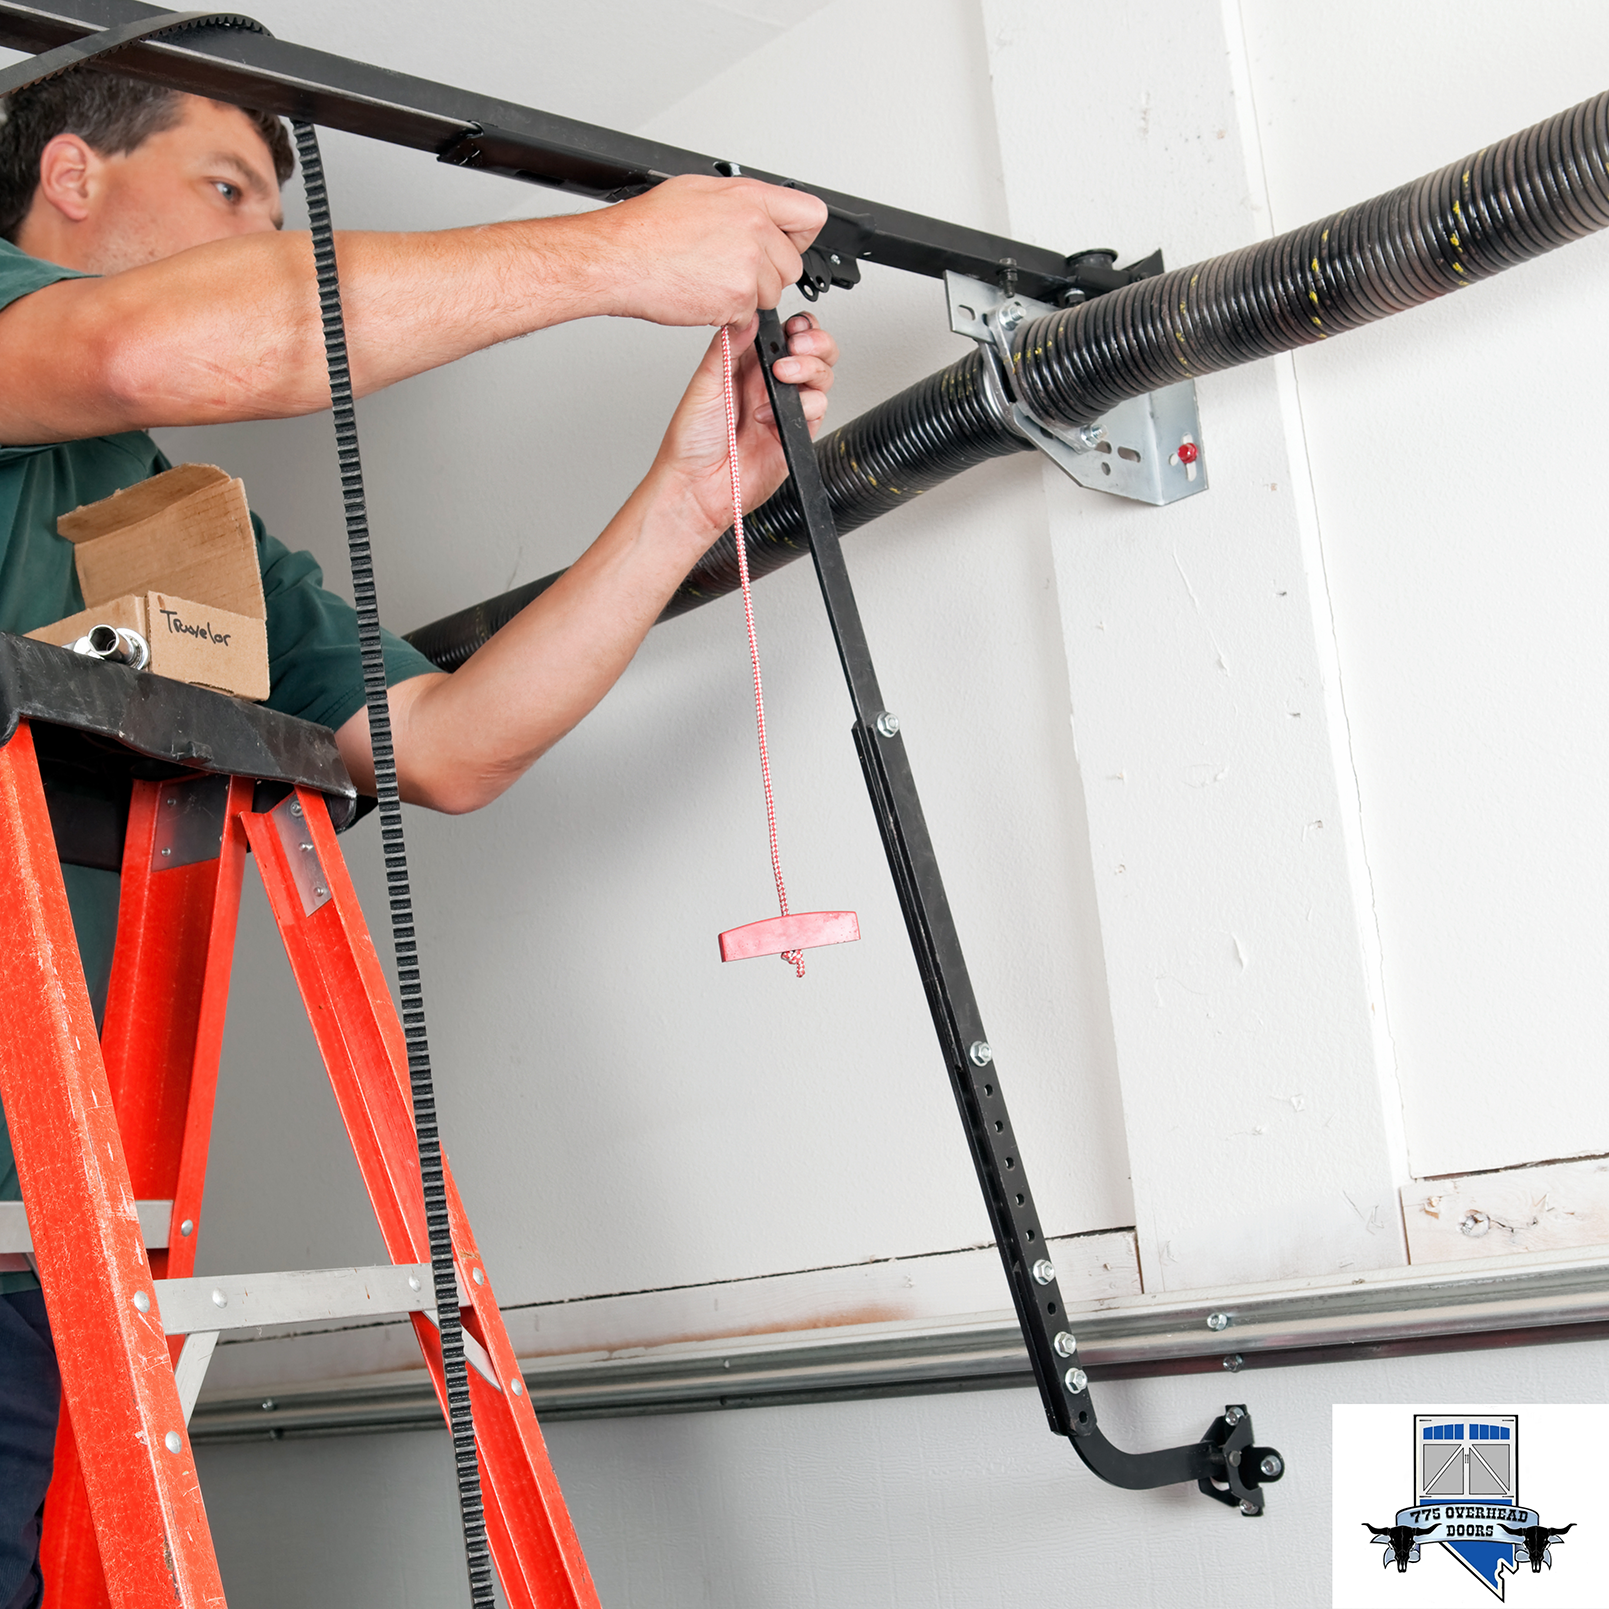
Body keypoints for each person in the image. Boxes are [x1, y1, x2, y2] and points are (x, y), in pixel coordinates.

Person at [0, 69, 839, 1609]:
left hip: (54, 1231)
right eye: (227, 191)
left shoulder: (184, 526)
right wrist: (614, 260)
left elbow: (449, 745)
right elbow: (140, 338)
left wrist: (680, 504)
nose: (260, 233)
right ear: (70, 173)